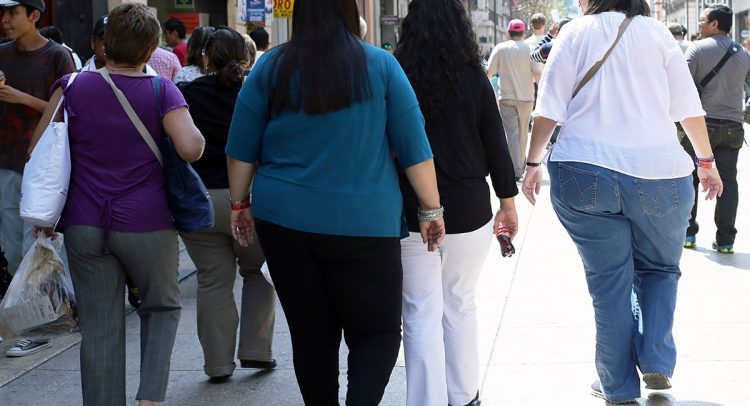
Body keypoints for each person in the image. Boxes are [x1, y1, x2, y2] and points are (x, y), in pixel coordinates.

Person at [226, 0, 445, 404]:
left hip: (285, 222)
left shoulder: (269, 68)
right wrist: (431, 209)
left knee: (311, 337)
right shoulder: (381, 66)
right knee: (377, 335)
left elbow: (241, 149)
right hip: (365, 224)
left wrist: (239, 204)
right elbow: (415, 148)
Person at [521, 0, 723, 402]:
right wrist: (706, 161)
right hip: (660, 173)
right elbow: (687, 108)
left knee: (610, 282)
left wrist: (531, 162)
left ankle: (616, 384)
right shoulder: (659, 34)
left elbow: (549, 106)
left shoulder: (575, 32)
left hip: (584, 170)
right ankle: (656, 359)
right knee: (661, 269)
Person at [27, 3, 204, 405]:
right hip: (148, 222)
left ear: (105, 44)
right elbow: (191, 148)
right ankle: (149, 398)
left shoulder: (70, 86)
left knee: (101, 326)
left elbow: (38, 148)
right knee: (160, 307)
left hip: (85, 224)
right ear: (151, 46)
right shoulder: (161, 88)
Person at [394, 1, 518, 405]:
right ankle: (463, 395)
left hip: (409, 208)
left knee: (418, 311)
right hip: (468, 208)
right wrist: (508, 202)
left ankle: (425, 400)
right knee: (460, 303)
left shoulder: (396, 75)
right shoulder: (472, 77)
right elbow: (495, 143)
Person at [177, 26, 274, 381]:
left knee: (213, 281)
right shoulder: (258, 95)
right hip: (251, 199)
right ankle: (256, 351)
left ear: (206, 58)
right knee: (258, 273)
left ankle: (217, 365)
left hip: (201, 202)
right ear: (247, 58)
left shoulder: (186, 95)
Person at [0, 0, 73, 279]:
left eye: (13, 13)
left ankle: (48, 309)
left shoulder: (58, 56)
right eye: (3, 13)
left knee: (41, 245)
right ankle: (26, 310)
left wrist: (20, 97)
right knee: (11, 246)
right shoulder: (2, 53)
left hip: (43, 164)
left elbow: (67, 111)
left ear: (33, 16)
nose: (5, 20)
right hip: (6, 159)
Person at [682, 5, 750, 253]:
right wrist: (744, 113)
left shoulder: (697, 48)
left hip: (701, 126)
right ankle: (725, 240)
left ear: (714, 24)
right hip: (732, 127)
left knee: (690, 177)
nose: (699, 24)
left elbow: (681, 87)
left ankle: (688, 234)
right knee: (728, 182)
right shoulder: (743, 54)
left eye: (702, 20)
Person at [487, 19, 542, 181]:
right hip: (526, 98)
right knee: (523, 133)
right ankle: (520, 166)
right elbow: (537, 74)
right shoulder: (531, 49)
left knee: (511, 133)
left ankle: (517, 168)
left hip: (507, 98)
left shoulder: (500, 48)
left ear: (508, 32)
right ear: (523, 32)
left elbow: (489, 73)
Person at [83, 16, 158, 77]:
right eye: (103, 39)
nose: (109, 44)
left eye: (115, 40)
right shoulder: (76, 80)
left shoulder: (150, 76)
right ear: (93, 42)